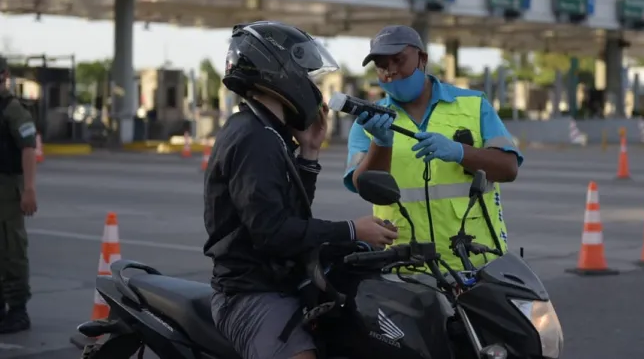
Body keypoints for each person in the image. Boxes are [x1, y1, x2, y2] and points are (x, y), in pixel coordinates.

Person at [204, 21, 399, 359]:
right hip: (251, 293)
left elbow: (290, 214)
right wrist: (352, 229)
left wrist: (309, 152)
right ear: (277, 70)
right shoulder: (254, 138)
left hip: (280, 281)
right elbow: (273, 232)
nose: (311, 85)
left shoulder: (267, 131)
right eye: (306, 74)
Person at [343, 25, 523, 269]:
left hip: (476, 262)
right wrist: (380, 142)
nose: (391, 71)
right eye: (382, 65)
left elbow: (508, 168)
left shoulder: (474, 105)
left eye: (398, 60)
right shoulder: (368, 123)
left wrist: (460, 152)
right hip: (405, 266)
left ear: (422, 59)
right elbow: (363, 187)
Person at [0, 56, 37, 334]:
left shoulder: (13, 110)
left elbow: (27, 149)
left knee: (11, 248)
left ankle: (18, 309)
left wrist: (29, 189)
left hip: (8, 189)